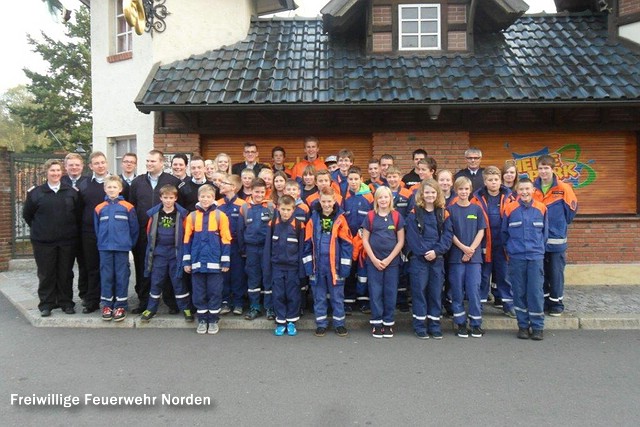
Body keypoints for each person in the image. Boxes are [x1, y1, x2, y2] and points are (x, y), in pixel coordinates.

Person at [23, 159, 80, 317]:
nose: (55, 173)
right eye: (52, 171)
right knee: (46, 273)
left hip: (67, 241)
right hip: (44, 242)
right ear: (46, 172)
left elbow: (78, 214)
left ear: (62, 172)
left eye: (57, 171)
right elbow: (28, 215)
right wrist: (42, 230)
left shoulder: (71, 192)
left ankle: (66, 302)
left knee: (65, 273)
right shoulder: (36, 193)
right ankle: (46, 304)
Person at [129, 150, 182, 314]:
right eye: (148, 161)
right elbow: (132, 206)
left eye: (153, 161)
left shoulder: (172, 181)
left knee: (167, 270)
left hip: (166, 235)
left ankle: (170, 303)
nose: (149, 164)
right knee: (143, 268)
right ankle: (144, 302)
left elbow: (180, 207)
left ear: (161, 163)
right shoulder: (137, 182)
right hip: (144, 234)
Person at [303, 187, 353, 337]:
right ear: (319, 200)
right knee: (319, 296)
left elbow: (347, 244)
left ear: (334, 201)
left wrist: (344, 267)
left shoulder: (340, 218)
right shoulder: (313, 219)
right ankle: (321, 324)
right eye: (323, 201)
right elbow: (307, 244)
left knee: (337, 296)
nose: (326, 204)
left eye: (329, 201)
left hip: (335, 265)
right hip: (318, 265)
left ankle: (339, 324)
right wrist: (308, 266)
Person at [406, 179, 453, 339]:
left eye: (433, 192)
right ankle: (420, 326)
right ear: (421, 194)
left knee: (435, 293)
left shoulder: (443, 212)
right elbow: (412, 237)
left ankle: (434, 325)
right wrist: (425, 252)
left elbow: (448, 235)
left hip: (437, 259)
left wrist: (436, 251)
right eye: (427, 192)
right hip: (419, 260)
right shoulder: (414, 213)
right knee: (419, 292)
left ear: (437, 194)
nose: (430, 195)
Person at [502, 178, 548, 340]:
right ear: (517, 191)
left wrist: (538, 250)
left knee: (535, 292)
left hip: (535, 257)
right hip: (516, 257)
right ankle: (522, 326)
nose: (525, 192)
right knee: (519, 292)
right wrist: (511, 250)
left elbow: (545, 234)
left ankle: (537, 327)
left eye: (527, 189)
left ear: (533, 190)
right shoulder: (510, 208)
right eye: (521, 189)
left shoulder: (541, 208)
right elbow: (504, 234)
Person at [533, 154, 578, 317]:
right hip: (537, 240)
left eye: (546, 168)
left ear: (553, 169)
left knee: (556, 272)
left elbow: (571, 212)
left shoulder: (564, 188)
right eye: (540, 168)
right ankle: (545, 301)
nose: (543, 171)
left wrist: (558, 226)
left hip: (556, 240)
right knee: (541, 272)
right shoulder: (533, 188)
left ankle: (556, 303)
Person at [183, 184, 232, 334]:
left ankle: (213, 319)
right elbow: (187, 240)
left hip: (215, 264)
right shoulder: (192, 216)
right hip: (197, 263)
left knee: (215, 292)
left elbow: (226, 239)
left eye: (209, 197)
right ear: (198, 198)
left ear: (213, 198)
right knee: (199, 292)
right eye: (203, 196)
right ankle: (202, 320)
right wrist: (186, 262)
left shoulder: (220, 216)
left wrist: (225, 261)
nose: (205, 199)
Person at [141, 184, 193, 323]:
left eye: (171, 198)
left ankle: (186, 308)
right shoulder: (154, 214)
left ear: (176, 198)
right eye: (165, 197)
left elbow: (186, 233)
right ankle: (151, 308)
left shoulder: (182, 214)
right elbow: (149, 233)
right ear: (160, 198)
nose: (168, 200)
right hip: (159, 252)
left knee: (178, 281)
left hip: (176, 252)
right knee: (156, 281)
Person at [361, 186, 405, 338]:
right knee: (375, 292)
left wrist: (388, 259)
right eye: (380, 197)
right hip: (374, 262)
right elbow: (365, 240)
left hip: (391, 263)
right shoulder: (370, 216)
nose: (383, 200)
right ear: (376, 200)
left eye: (386, 197)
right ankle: (376, 322)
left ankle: (388, 323)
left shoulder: (397, 216)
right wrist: (374, 259)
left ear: (390, 199)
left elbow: (400, 241)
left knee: (390, 292)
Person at [471, 166, 515, 316]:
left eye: (496, 179)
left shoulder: (509, 197)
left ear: (500, 180)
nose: (493, 182)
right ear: (485, 181)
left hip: (502, 244)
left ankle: (508, 305)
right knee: (483, 276)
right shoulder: (477, 198)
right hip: (484, 244)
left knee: (504, 275)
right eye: (490, 180)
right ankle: (480, 306)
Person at [94, 175, 139, 321]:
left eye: (114, 187)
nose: (112, 189)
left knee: (122, 276)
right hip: (105, 247)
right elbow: (97, 228)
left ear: (120, 189)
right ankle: (107, 304)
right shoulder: (99, 208)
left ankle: (121, 305)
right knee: (106, 276)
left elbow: (134, 229)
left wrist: (129, 244)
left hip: (122, 248)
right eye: (109, 187)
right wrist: (102, 242)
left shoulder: (128, 207)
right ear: (104, 189)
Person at [447, 176, 486, 338]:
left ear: (470, 191)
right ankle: (461, 324)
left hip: (474, 258)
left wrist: (471, 250)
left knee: (473, 290)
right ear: (456, 191)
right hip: (456, 258)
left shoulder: (477, 209)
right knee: (457, 291)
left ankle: (476, 324)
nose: (463, 192)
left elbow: (481, 231)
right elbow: (450, 234)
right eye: (460, 189)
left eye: (466, 189)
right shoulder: (450, 210)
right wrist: (463, 248)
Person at [263, 195, 306, 336]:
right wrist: (267, 268)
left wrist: (301, 271)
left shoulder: (299, 225)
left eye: (288, 209)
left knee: (293, 295)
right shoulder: (273, 224)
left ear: (294, 209)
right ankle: (281, 321)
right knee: (278, 294)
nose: (285, 212)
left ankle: (291, 321)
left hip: (293, 268)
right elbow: (268, 247)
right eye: (283, 209)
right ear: (278, 208)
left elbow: (301, 250)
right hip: (277, 267)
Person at [77, 151, 113, 314]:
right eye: (96, 163)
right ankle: (92, 300)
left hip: (111, 233)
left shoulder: (115, 183)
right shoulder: (83, 184)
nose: (100, 166)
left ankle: (110, 299)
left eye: (102, 162)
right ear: (91, 166)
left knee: (109, 267)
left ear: (107, 164)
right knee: (91, 267)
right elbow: (78, 208)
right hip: (89, 232)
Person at [238, 178, 275, 320]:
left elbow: (275, 229)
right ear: (251, 191)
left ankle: (269, 308)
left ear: (265, 192)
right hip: (251, 249)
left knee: (268, 277)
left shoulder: (271, 207)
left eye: (262, 192)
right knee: (253, 279)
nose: (259, 195)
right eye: (256, 192)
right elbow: (240, 230)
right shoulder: (244, 207)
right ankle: (254, 307)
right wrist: (243, 250)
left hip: (267, 249)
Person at [341, 166, 374, 313]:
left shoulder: (369, 196)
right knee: (348, 269)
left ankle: (363, 301)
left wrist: (363, 234)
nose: (353, 182)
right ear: (347, 180)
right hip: (348, 241)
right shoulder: (344, 195)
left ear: (361, 179)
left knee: (363, 272)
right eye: (350, 179)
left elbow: (373, 217)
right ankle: (348, 301)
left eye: (356, 179)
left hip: (364, 240)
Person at [216, 174, 247, 315]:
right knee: (223, 274)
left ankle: (238, 303)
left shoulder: (243, 205)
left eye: (225, 182)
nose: (221, 184)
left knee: (237, 274)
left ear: (233, 187)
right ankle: (225, 302)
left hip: (236, 245)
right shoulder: (217, 204)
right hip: (221, 245)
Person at [61, 153, 88, 303]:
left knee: (85, 265)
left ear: (82, 166)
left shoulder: (88, 181)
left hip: (83, 230)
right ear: (66, 167)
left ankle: (85, 295)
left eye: (77, 165)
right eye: (71, 165)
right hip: (65, 231)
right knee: (65, 267)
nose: (74, 167)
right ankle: (64, 298)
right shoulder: (60, 181)